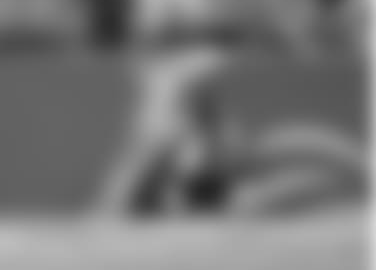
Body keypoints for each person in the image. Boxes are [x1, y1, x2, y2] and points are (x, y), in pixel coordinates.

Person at [96, 45, 365, 218]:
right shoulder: (171, 132)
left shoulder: (200, 132)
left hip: (207, 186)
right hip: (201, 189)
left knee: (251, 188)